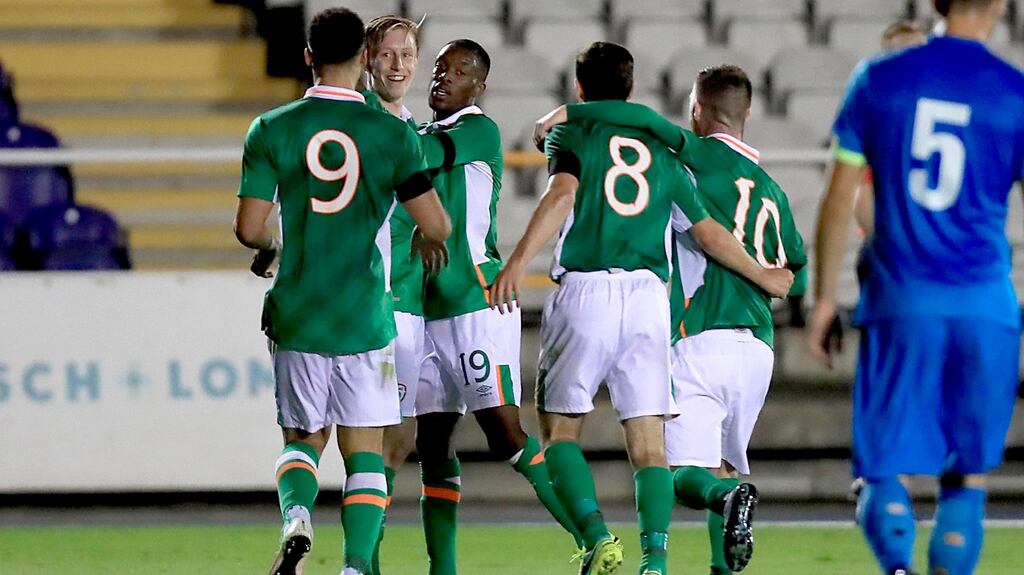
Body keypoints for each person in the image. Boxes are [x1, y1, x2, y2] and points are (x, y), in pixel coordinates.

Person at [493, 42, 794, 575]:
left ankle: (598, 538)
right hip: (650, 300)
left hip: (587, 288)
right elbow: (708, 232)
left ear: (580, 88)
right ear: (631, 89)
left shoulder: (573, 130)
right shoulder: (664, 149)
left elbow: (563, 194)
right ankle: (655, 562)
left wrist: (518, 259)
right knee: (651, 447)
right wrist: (765, 273)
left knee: (560, 431)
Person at [806, 1, 1024, 574]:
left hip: (903, 300)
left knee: (880, 465)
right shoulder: (1013, 90)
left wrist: (824, 300)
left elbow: (836, 199)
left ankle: (897, 566)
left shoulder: (879, 78)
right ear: (1000, 5)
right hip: (985, 304)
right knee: (967, 475)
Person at [233, 8, 451, 575]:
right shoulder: (393, 134)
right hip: (365, 316)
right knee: (364, 455)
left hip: (299, 312)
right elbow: (438, 225)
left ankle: (296, 518)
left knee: (302, 440)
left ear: (308, 56)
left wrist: (272, 248)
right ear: (364, 58)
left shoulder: (271, 127)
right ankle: (355, 566)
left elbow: (249, 229)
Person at [409, 39, 584, 575]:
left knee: (504, 434)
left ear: (477, 87)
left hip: (475, 301)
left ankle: (593, 536)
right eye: (438, 69)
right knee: (432, 443)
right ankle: (444, 569)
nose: (443, 77)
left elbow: (419, 160)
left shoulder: (475, 129)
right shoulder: (419, 132)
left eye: (457, 71)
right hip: (428, 304)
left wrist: (374, 116)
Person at [360, 15, 424, 575]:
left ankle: (364, 556)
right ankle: (362, 563)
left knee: (398, 442)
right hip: (368, 304)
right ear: (367, 60)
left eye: (407, 54)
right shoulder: (359, 125)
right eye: (388, 55)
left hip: (406, 303)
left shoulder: (416, 131)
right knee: (365, 443)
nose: (399, 64)